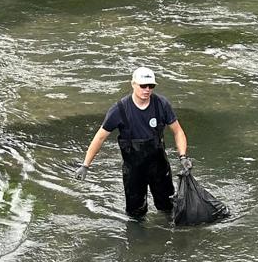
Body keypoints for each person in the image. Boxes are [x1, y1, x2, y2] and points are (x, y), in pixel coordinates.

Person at [75, 67, 192, 217]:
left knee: (168, 208)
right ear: (133, 84)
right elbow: (100, 138)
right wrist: (85, 165)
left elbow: (178, 131)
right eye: (143, 86)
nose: (147, 89)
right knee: (136, 214)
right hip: (134, 171)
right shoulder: (119, 109)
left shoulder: (161, 104)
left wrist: (183, 156)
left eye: (151, 86)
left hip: (159, 167)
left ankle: (167, 229)